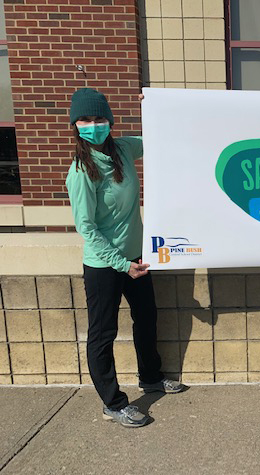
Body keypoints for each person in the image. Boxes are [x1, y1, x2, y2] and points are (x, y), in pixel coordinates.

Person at [65, 88, 184, 428]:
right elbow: (86, 228)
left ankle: (150, 376)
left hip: (136, 257)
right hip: (105, 266)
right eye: (86, 120)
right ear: (76, 124)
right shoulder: (81, 171)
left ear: (110, 121)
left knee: (146, 317)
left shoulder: (123, 149)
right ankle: (113, 403)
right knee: (103, 333)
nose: (93, 125)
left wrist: (162, 109)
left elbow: (159, 138)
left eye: (99, 118)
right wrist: (121, 265)